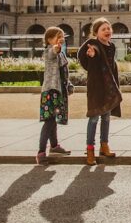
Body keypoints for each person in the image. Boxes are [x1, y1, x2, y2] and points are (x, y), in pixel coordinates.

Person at [78, 18, 121, 165]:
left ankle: (104, 145)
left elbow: (112, 64)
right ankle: (90, 149)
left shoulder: (112, 46)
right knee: (94, 117)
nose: (107, 31)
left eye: (109, 28)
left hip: (108, 86)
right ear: (96, 32)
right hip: (96, 87)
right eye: (104, 29)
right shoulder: (92, 44)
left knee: (107, 117)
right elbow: (83, 55)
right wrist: (90, 56)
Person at [36, 27, 72, 165]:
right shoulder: (48, 52)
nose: (62, 39)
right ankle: (41, 152)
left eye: (63, 36)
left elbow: (63, 72)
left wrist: (68, 85)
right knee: (49, 121)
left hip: (58, 91)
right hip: (51, 91)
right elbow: (52, 53)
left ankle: (55, 146)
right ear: (49, 40)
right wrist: (56, 47)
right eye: (58, 36)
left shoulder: (61, 54)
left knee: (53, 119)